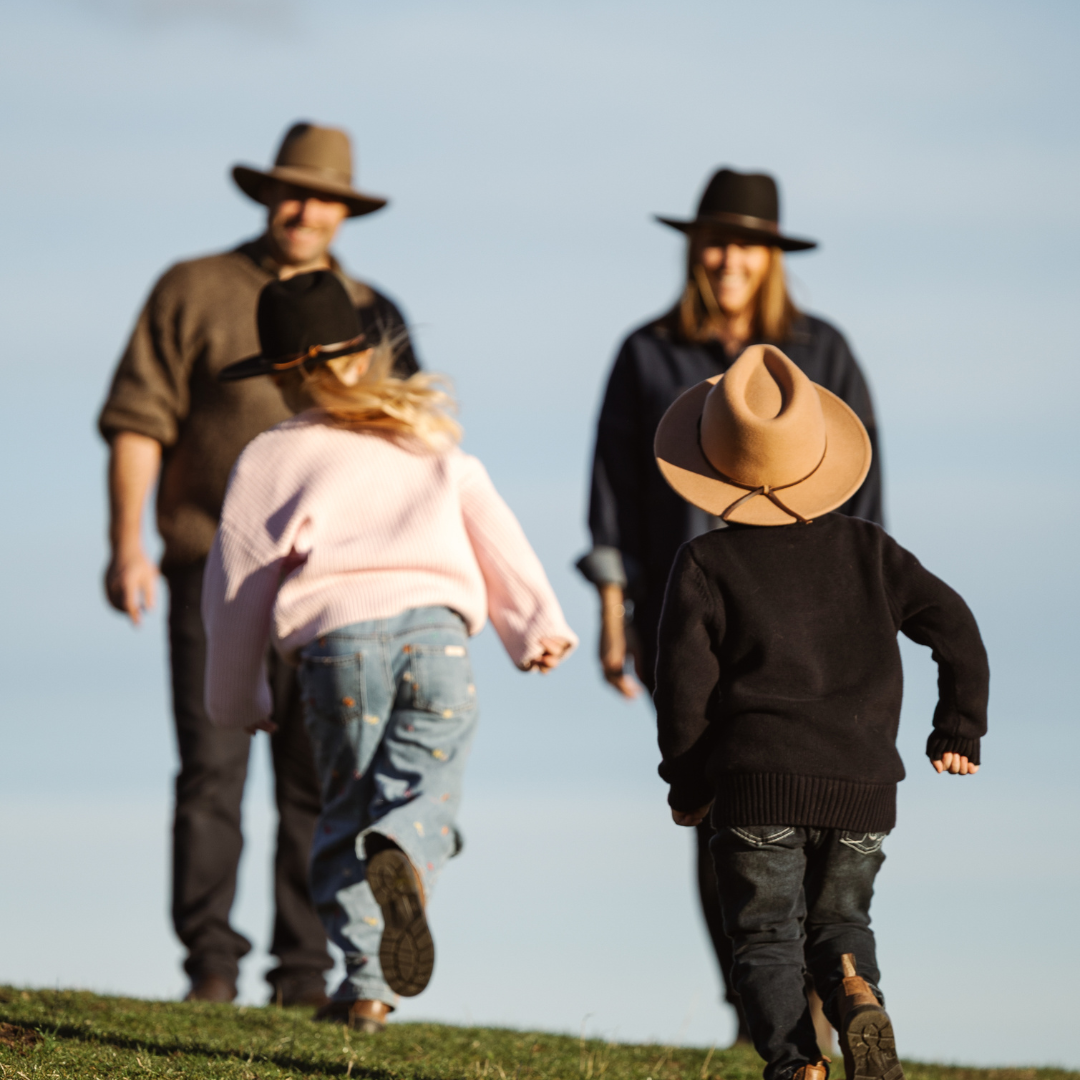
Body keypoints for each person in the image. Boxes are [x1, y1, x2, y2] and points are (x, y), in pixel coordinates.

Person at [201, 270, 577, 1032]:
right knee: (422, 798)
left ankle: (365, 987)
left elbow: (236, 587)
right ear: (363, 359)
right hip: (438, 647)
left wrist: (238, 698)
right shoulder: (425, 437)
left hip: (338, 655)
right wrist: (535, 624)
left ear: (283, 374)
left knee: (344, 811)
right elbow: (491, 529)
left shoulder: (273, 456)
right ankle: (403, 854)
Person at [98, 122, 420, 1005]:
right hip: (214, 572)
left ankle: (304, 972)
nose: (305, 208)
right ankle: (209, 966)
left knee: (320, 780)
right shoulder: (194, 288)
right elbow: (139, 421)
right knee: (212, 769)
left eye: (323, 195)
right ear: (266, 196)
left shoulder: (375, 312)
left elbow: (412, 453)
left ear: (345, 209)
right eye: (291, 190)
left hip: (337, 592)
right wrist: (126, 543)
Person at [578, 167, 883, 1042]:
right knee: (715, 812)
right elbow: (614, 492)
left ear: (770, 256)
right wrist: (612, 613)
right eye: (715, 240)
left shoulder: (824, 354)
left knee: (827, 805)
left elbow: (867, 499)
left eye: (746, 242)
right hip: (693, 625)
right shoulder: (647, 352)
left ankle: (826, 993)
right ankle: (765, 1009)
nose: (728, 257)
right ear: (694, 248)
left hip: (813, 626)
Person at [652, 343, 989, 1080]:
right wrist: (957, 727)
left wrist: (688, 784)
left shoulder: (707, 563)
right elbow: (956, 624)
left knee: (766, 938)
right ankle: (853, 985)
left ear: (713, 468)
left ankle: (796, 1066)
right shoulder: (872, 550)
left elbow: (682, 689)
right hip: (863, 789)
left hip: (757, 788)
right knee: (842, 921)